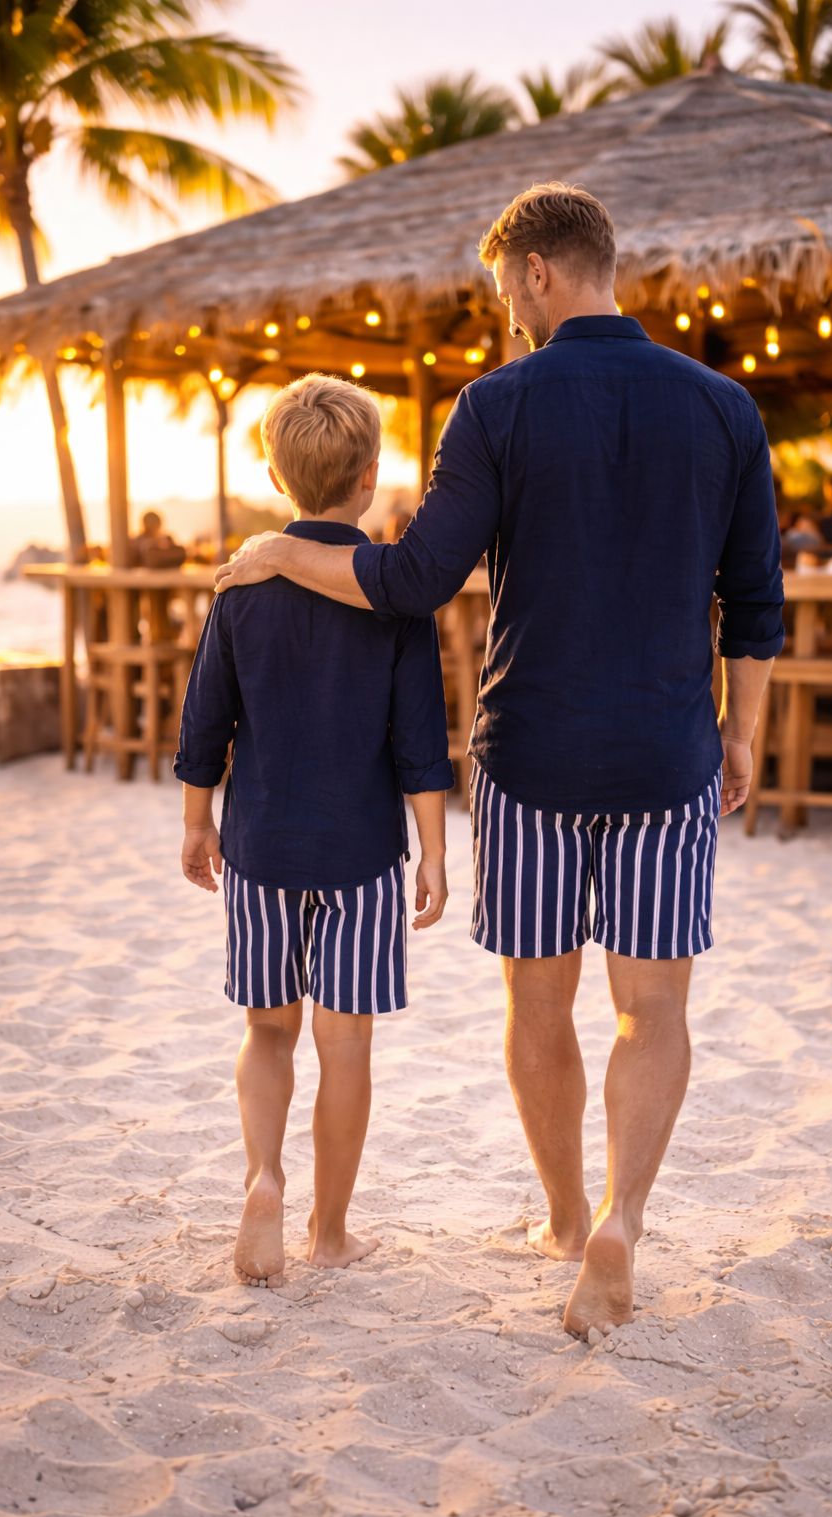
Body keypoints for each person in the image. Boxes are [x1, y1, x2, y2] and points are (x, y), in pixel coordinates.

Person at [214, 182, 784, 1337]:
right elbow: (755, 605)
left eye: (500, 289)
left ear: (533, 271)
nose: (504, 314)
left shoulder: (496, 405)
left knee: (541, 1003)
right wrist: (742, 734)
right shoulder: (723, 408)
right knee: (653, 1006)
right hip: (668, 754)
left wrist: (279, 548)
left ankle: (569, 1219)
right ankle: (623, 1219)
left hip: (528, 760)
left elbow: (412, 579)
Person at [175, 374, 454, 1286]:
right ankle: (328, 1234)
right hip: (363, 856)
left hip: (258, 848)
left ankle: (263, 1177)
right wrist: (437, 853)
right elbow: (420, 744)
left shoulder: (243, 589)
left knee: (266, 1030)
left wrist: (197, 824)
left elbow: (203, 723)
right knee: (346, 1044)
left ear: (272, 471)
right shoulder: (393, 600)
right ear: (369, 478)